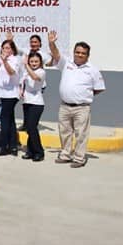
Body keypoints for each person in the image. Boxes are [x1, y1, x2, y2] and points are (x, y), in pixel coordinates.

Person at [48, 31, 105, 168]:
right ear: (73, 52)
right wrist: (51, 43)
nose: (79, 55)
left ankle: (79, 158)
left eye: (83, 53)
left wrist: (83, 96)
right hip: (65, 106)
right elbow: (56, 54)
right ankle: (65, 154)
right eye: (77, 52)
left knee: (81, 134)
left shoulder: (93, 70)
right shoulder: (67, 64)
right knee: (65, 132)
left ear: (87, 55)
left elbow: (99, 88)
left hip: (82, 108)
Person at [0, 39, 21, 156]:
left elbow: (12, 72)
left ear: (12, 50)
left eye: (8, 48)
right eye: (3, 48)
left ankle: (3, 147)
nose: (5, 50)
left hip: (11, 94)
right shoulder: (1, 60)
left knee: (4, 120)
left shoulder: (14, 60)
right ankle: (13, 146)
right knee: (10, 121)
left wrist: (4, 62)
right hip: (2, 93)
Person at [21, 52, 46, 162]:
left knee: (32, 128)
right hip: (27, 102)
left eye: (36, 61)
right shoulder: (26, 72)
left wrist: (26, 65)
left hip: (37, 103)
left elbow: (35, 78)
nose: (34, 63)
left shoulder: (41, 72)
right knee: (29, 129)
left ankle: (39, 152)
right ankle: (30, 151)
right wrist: (21, 91)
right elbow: (22, 82)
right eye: (31, 61)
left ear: (40, 62)